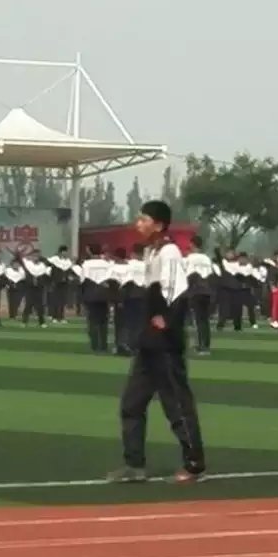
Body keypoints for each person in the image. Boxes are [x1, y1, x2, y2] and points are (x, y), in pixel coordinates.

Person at [108, 200, 206, 484]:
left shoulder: (169, 252)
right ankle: (134, 464)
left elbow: (176, 292)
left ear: (159, 224)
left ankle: (194, 463)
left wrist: (166, 321)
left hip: (165, 343)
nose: (137, 224)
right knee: (132, 403)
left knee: (176, 405)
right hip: (148, 342)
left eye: (143, 219)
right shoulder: (151, 252)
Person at [184, 236, 214, 355]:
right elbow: (210, 274)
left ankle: (203, 347)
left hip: (196, 291)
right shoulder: (206, 258)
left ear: (192, 244)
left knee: (199, 319)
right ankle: (205, 344)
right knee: (205, 319)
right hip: (207, 291)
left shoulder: (190, 258)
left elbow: (188, 275)